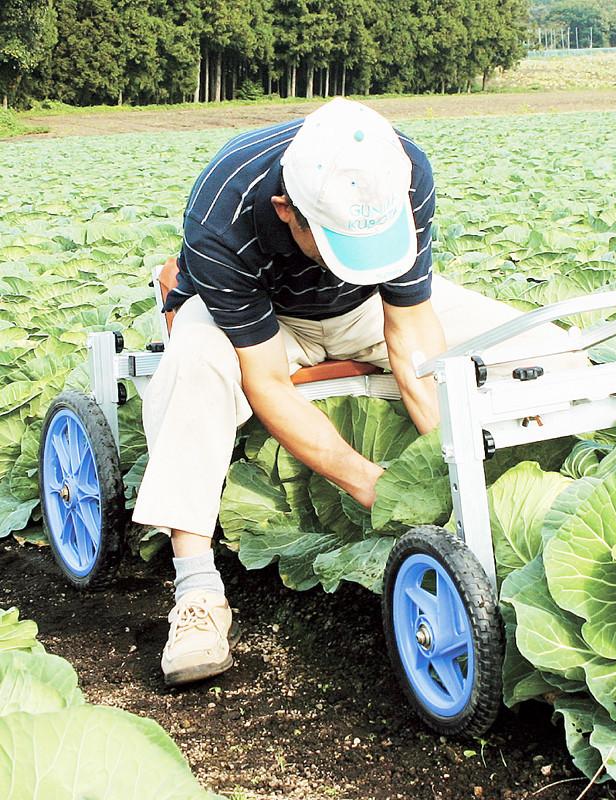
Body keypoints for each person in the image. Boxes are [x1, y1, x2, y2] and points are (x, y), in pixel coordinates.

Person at [132, 98, 580, 686]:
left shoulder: (401, 170)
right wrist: (376, 485)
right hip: (265, 323)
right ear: (286, 210)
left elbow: (411, 330)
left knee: (546, 348)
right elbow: (265, 380)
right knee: (195, 365)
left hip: (363, 308)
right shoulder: (226, 205)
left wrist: (448, 468)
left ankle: (562, 497)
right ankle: (196, 593)